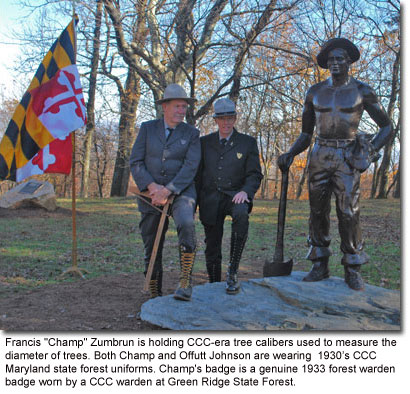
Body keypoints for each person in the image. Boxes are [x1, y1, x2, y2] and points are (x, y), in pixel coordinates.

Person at [278, 38, 392, 291]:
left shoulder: (363, 90)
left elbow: (387, 126)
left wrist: (370, 150)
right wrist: (291, 153)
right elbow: (306, 133)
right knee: (317, 211)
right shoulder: (315, 92)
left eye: (340, 58)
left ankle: (353, 267)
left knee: (348, 212)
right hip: (320, 154)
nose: (335, 63)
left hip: (347, 155)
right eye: (331, 59)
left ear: (349, 61)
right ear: (326, 64)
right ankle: (320, 263)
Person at [129, 83, 201, 301]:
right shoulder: (148, 128)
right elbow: (136, 161)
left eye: (184, 107)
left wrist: (169, 190)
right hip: (150, 194)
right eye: (177, 106)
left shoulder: (192, 133)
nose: (181, 111)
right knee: (151, 241)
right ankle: (154, 289)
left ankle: (185, 281)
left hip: (181, 192)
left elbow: (191, 166)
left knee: (186, 223)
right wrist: (152, 187)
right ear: (165, 107)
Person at [196, 98, 262, 294]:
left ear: (235, 119)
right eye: (222, 118)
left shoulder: (247, 143)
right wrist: (193, 202)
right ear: (216, 120)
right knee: (212, 243)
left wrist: (245, 192)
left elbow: (254, 174)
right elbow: (197, 175)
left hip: (235, 196)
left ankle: (233, 272)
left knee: (241, 215)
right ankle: (214, 280)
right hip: (210, 198)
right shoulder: (204, 143)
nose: (226, 123)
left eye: (230, 118)